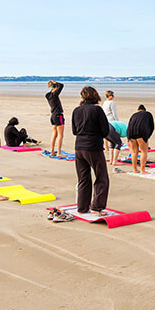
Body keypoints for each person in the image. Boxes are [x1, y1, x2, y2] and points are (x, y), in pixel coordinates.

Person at [72, 86, 110, 214]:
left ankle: (82, 208)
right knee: (101, 177)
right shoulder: (97, 110)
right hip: (93, 147)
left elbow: (74, 131)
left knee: (83, 178)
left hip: (79, 147)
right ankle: (96, 207)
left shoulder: (76, 110)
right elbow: (105, 131)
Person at [127, 105, 155, 174]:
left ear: (138, 110)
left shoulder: (134, 115)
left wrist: (128, 137)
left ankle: (135, 170)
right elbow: (152, 127)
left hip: (130, 133)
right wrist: (147, 137)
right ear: (144, 110)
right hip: (141, 132)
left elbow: (129, 125)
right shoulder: (148, 114)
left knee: (134, 152)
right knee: (144, 152)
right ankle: (142, 170)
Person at [46, 80, 65, 157]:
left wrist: (54, 85)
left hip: (53, 116)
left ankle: (52, 151)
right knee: (60, 135)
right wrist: (55, 83)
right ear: (56, 87)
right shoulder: (54, 95)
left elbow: (58, 87)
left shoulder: (48, 95)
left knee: (54, 135)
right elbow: (61, 85)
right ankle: (59, 153)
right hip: (58, 116)